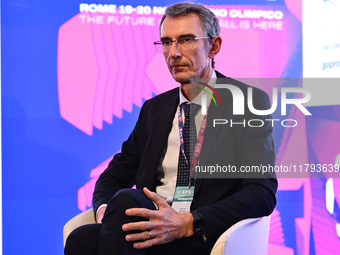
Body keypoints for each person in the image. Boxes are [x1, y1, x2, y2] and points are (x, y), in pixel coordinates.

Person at [65, 2, 277, 255]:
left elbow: (261, 193)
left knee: (124, 204)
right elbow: (113, 176)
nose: (173, 53)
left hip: (200, 233)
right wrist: (104, 211)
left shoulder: (246, 102)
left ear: (214, 46)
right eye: (166, 42)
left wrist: (190, 222)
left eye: (186, 40)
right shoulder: (155, 109)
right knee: (83, 236)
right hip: (151, 228)